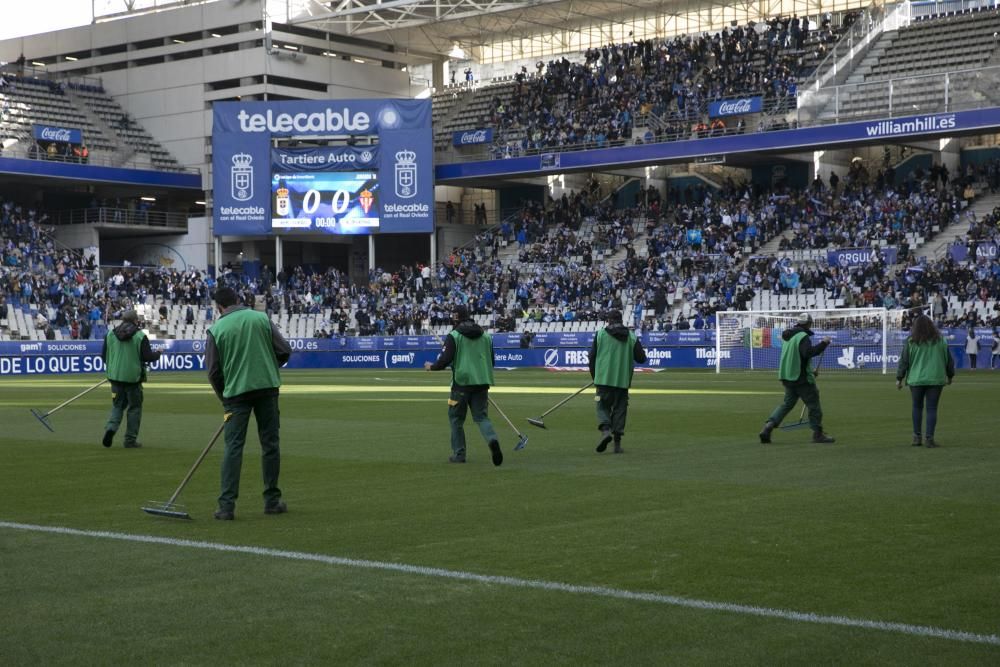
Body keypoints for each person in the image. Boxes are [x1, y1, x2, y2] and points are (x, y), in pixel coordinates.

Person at [206, 286, 292, 520]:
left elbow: (213, 372)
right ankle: (272, 501)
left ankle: (226, 507)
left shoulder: (216, 329)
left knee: (233, 448)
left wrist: (225, 398)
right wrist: (269, 366)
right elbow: (284, 350)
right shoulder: (260, 318)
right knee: (270, 445)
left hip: (236, 395)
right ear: (237, 300)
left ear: (219, 307)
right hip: (267, 389)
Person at [424, 305, 502, 466]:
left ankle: (459, 453)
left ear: (456, 317)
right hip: (482, 383)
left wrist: (431, 366)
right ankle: (492, 440)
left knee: (456, 419)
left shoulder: (454, 335)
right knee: (481, 417)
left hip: (461, 384)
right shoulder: (486, 336)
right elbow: (492, 361)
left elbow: (445, 360)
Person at [759, 313, 835, 444]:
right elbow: (808, 353)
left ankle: (768, 426)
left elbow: (797, 357)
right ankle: (818, 434)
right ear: (808, 324)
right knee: (814, 404)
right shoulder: (803, 336)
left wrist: (810, 371)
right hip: (800, 378)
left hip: (788, 376)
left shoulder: (788, 336)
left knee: (787, 404)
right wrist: (823, 343)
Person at [588, 310, 647, 454]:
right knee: (620, 410)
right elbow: (641, 358)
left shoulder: (600, 334)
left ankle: (606, 430)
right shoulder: (632, 337)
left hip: (603, 381)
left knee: (601, 406)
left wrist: (594, 376)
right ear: (621, 320)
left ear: (609, 320)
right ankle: (617, 445)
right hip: (622, 382)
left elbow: (592, 358)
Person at [101, 310, 161, 448]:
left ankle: (111, 428)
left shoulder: (110, 334)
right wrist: (158, 354)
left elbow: (104, 356)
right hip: (133, 379)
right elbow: (147, 357)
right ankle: (130, 439)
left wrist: (114, 367)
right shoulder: (140, 336)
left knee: (117, 406)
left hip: (115, 378)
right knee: (134, 408)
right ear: (135, 321)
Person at [896, 314, 955, 448]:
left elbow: (904, 361)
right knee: (932, 408)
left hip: (916, 379)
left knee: (917, 407)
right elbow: (949, 361)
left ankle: (917, 437)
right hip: (936, 379)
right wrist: (950, 376)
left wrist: (899, 378)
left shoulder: (911, 341)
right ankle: (929, 438)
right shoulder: (941, 341)